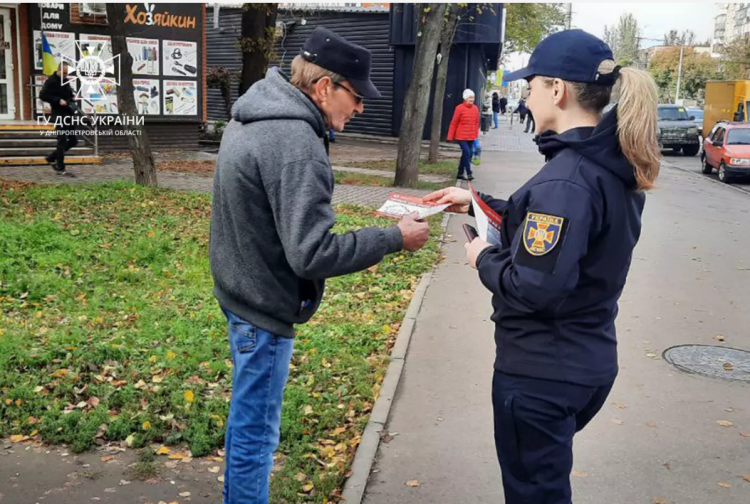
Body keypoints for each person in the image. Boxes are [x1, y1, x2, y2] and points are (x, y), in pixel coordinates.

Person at [424, 29, 660, 504]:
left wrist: (482, 257)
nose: (526, 100)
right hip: (581, 361)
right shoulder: (606, 164)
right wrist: (476, 202)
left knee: (535, 494)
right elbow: (557, 231)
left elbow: (533, 287)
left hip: (541, 375)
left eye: (530, 87)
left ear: (557, 89)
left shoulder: (568, 179)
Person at [210, 27, 430, 504]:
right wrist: (394, 237)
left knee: (247, 425)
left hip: (238, 290)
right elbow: (311, 253)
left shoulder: (254, 113)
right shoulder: (295, 141)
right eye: (356, 96)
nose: (361, 108)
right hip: (262, 308)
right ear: (325, 86)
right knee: (254, 437)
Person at [40, 61, 77, 176]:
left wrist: (72, 98)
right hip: (59, 114)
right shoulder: (51, 81)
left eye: (67, 73)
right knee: (61, 139)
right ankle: (59, 166)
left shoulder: (65, 81)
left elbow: (68, 94)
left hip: (68, 113)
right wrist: (57, 100)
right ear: (59, 69)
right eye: (64, 73)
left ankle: (52, 157)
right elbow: (43, 95)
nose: (66, 75)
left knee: (73, 140)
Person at [447, 89, 480, 181]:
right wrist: (450, 136)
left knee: (466, 154)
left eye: (473, 97)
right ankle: (469, 172)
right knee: (467, 152)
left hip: (471, 136)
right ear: (465, 98)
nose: (472, 99)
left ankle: (460, 173)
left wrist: (475, 135)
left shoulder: (475, 108)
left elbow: (476, 123)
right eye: (470, 97)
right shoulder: (459, 108)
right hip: (461, 136)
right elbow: (454, 123)